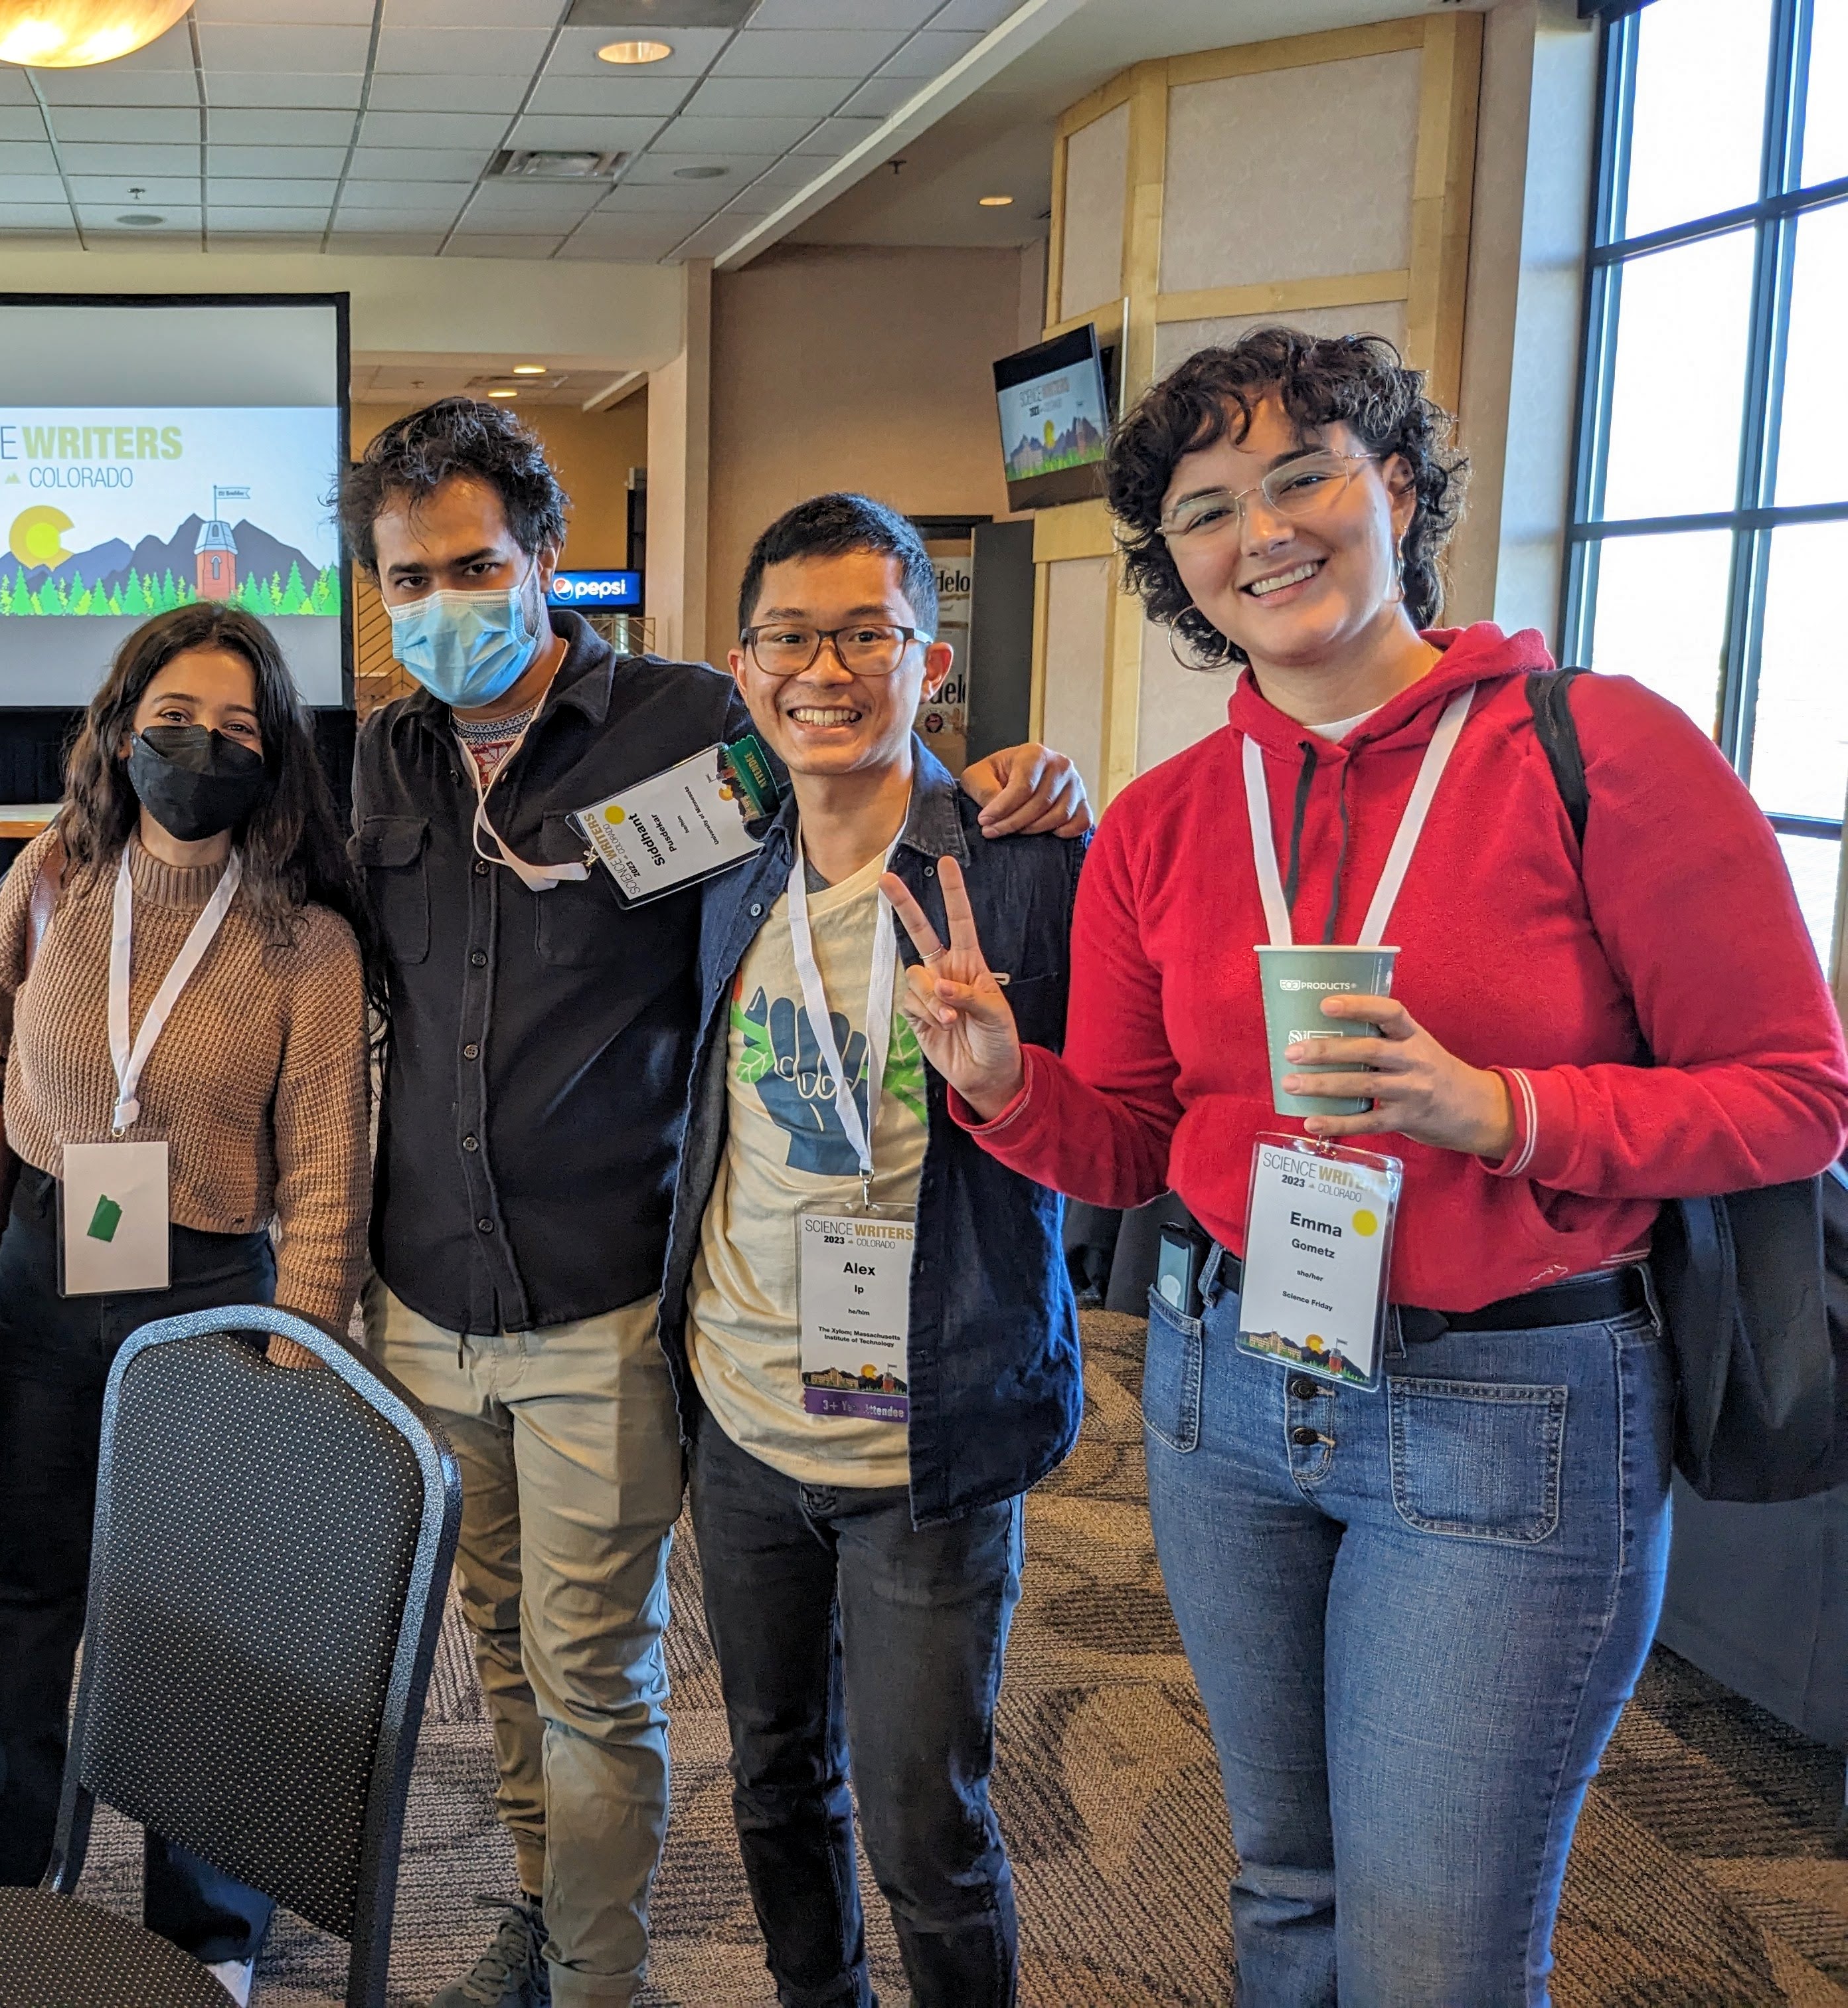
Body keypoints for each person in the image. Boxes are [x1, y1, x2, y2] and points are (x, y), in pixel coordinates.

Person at [898, 327, 1848, 2003]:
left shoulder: (1597, 753)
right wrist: (1001, 1084)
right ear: (1176, 564)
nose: (1260, 532)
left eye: (1301, 476)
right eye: (1205, 509)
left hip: (1509, 1412)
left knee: (1435, 1954)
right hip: (1224, 1396)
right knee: (1284, 1895)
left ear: (1396, 488)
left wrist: (1507, 1114)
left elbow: (1792, 1097)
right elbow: (1127, 1144)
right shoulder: (1176, 819)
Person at [342, 396, 1092, 2008]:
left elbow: (886, 776)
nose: (443, 606)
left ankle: (597, 1974)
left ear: (545, 559)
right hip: (542, 1333)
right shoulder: (386, 760)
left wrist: (1033, 783)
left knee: (810, 1767)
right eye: (409, 581)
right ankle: (550, 1927)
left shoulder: (694, 732)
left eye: (475, 566)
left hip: (659, 1320)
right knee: (588, 1693)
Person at [0, 602, 379, 2007]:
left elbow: (331, 1193)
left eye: (235, 729)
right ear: (120, 728)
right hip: (52, 1270)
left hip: (208, 1289)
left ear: (274, 754)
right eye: (172, 719)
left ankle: (210, 1930)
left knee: (204, 1622)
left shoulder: (310, 945)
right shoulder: (54, 877)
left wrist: (297, 1373)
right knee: (7, 1593)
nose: (198, 749)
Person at [659, 494, 1082, 2008]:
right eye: (788, 637)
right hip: (746, 1423)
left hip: (930, 1439)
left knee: (927, 1830)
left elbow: (1115, 1133)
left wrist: (1006, 1078)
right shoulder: (724, 857)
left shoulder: (1022, 863)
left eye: (865, 635)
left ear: (932, 658)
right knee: (772, 1780)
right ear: (742, 659)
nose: (823, 670)